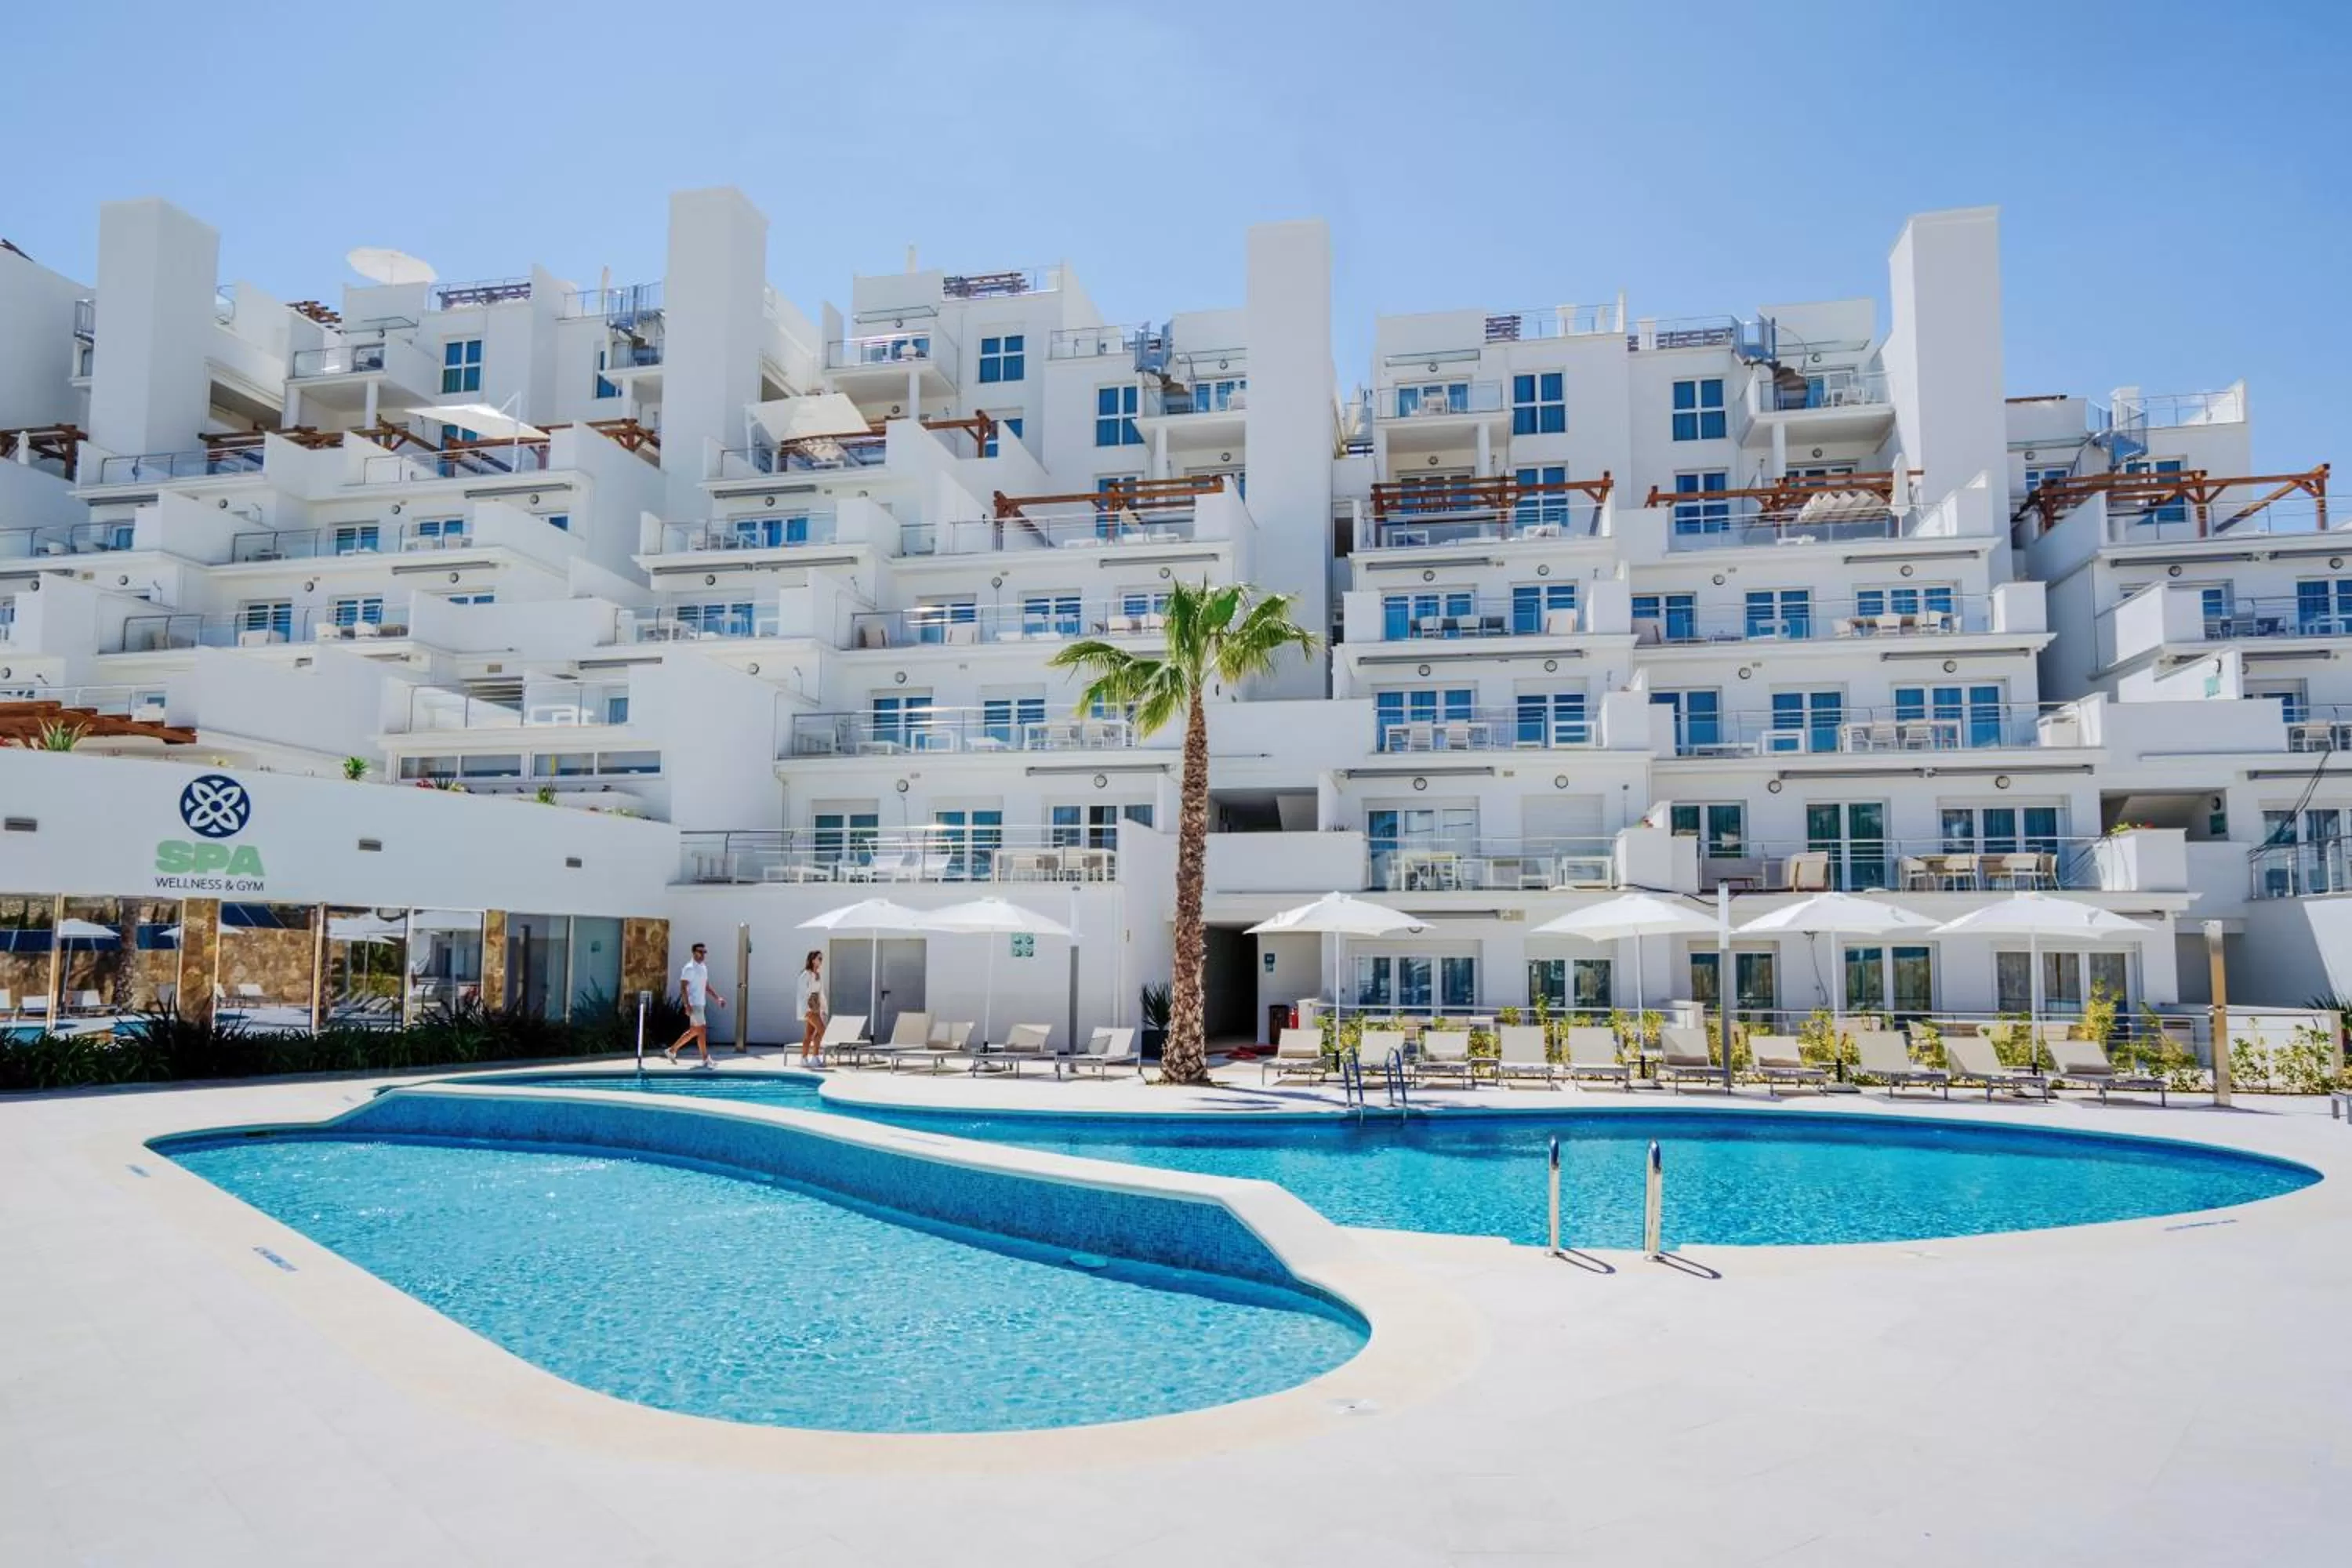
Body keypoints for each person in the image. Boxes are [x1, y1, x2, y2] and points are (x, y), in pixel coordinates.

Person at [664, 942, 724, 1065]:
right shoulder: (689, 968)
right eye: (700, 952)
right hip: (693, 1004)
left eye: (704, 952)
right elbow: (683, 987)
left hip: (701, 1003)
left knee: (694, 1031)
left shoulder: (703, 967)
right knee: (701, 1030)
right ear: (694, 952)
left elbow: (706, 986)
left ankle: (672, 1050)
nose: (703, 955)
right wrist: (687, 1005)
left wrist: (717, 998)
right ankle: (705, 1059)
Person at [797, 950, 827, 1066]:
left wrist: (822, 1009)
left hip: (816, 1007)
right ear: (813, 960)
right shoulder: (806, 974)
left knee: (809, 1034)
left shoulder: (818, 975)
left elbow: (821, 993)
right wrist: (806, 1008)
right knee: (822, 1029)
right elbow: (802, 993)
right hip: (808, 1007)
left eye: (821, 959)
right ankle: (814, 1057)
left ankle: (805, 1059)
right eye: (819, 958)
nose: (821, 961)